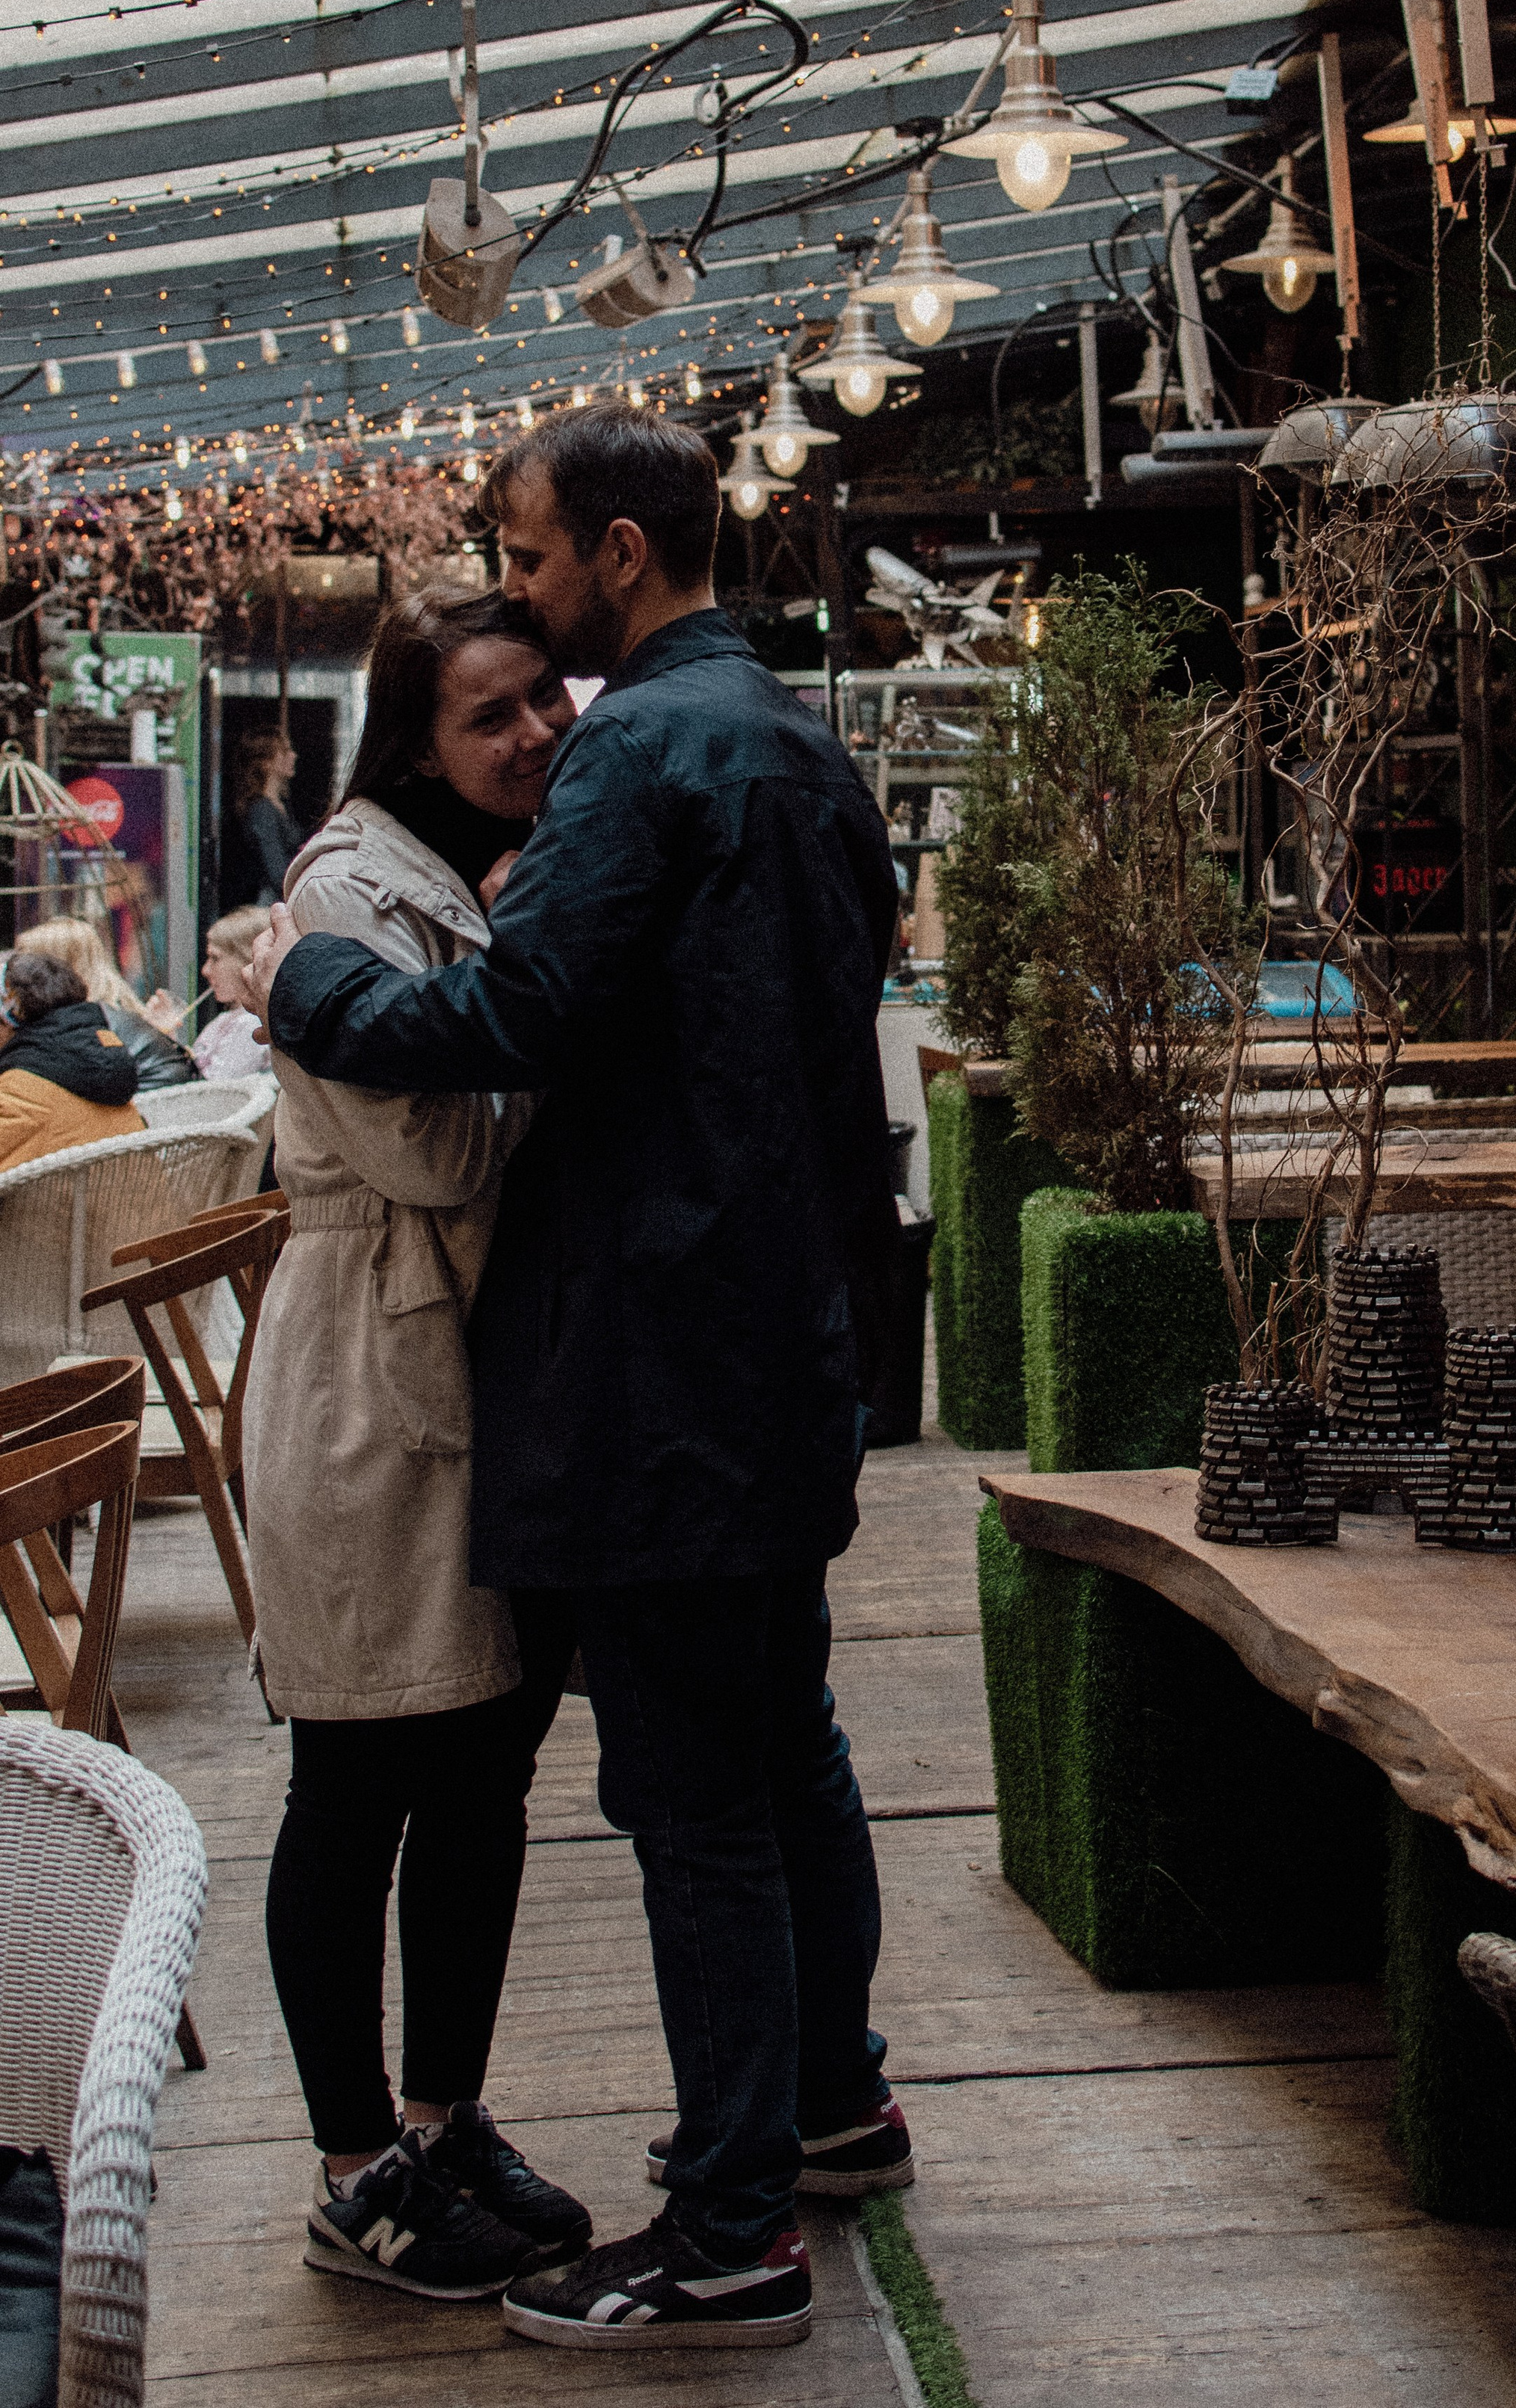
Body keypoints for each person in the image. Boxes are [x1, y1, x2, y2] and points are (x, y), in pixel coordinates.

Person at [245, 407, 906, 2356]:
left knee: (697, 1794)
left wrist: (307, 990)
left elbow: (514, 1016)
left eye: (532, 557)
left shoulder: (643, 742)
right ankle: (826, 2105)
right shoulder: (797, 733)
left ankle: (724, 2239)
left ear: (617, 551)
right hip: (782, 1332)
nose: (521, 588)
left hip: (662, 1348)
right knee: (784, 1747)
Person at [244, 582, 594, 2303]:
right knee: (357, 1772)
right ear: (417, 738)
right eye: (489, 713)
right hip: (364, 1389)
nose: (531, 734)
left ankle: (442, 2122)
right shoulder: (349, 886)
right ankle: (349, 2163)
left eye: (544, 698)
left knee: (477, 1775)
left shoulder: (454, 876)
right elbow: (444, 1156)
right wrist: (556, 1020)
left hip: (460, 1372)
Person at [11, 917, 197, 1089]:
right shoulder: (116, 1010)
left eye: (23, 964)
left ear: (51, 970)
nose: (14, 977)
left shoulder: (85, 1022)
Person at [0, 951, 144, 1172]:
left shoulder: (21, 1089)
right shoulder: (100, 1059)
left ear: (9, 1020)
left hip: (62, 1207)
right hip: (140, 1205)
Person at [191, 908, 275, 1080]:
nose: (205, 970)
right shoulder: (225, 1020)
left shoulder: (251, 1025)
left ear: (248, 959)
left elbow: (214, 1094)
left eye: (215, 958)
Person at [229, 726, 304, 902]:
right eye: (284, 751)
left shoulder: (281, 805)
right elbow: (277, 872)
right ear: (266, 762)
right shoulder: (262, 812)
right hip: (268, 904)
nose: (293, 755)